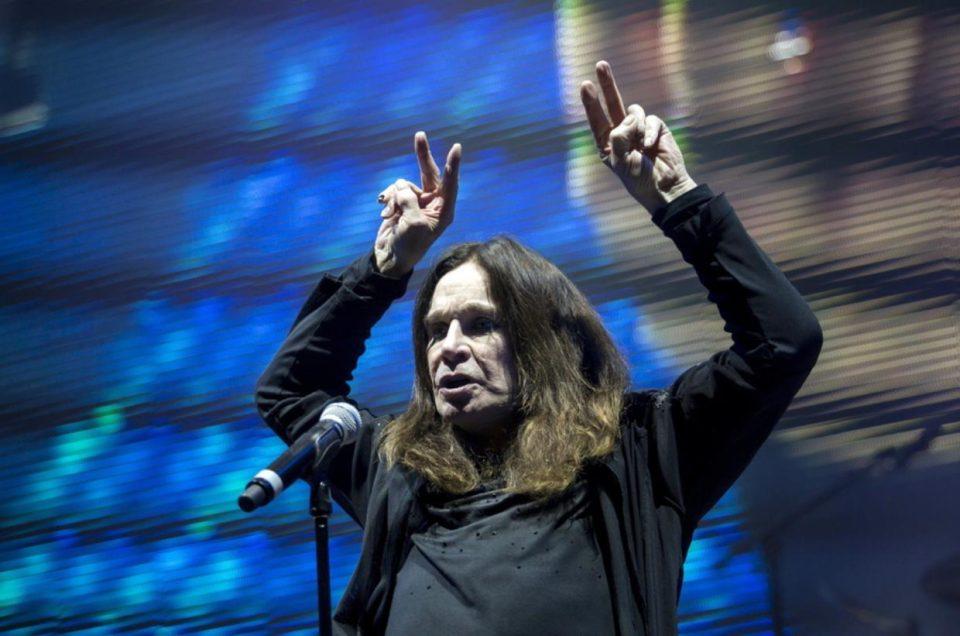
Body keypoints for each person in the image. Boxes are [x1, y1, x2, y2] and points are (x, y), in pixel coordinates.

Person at [254, 60, 823, 635]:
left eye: (480, 325)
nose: (448, 348)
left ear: (541, 342)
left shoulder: (642, 450)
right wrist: (383, 270)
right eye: (435, 330)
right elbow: (290, 391)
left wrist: (679, 200)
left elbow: (781, 341)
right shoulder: (401, 470)